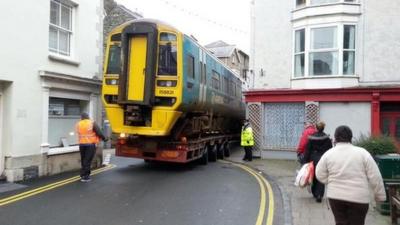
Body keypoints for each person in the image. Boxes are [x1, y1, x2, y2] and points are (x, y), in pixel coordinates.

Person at [316, 125, 386, 225]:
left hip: (336, 197)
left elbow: (319, 173)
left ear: (335, 138)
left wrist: (330, 181)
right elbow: (375, 176)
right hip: (359, 198)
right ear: (351, 137)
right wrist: (380, 196)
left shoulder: (329, 154)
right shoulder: (363, 153)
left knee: (340, 222)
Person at [302, 121, 332, 203]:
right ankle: (319, 195)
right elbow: (330, 150)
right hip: (323, 159)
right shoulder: (327, 138)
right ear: (323, 128)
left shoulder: (311, 138)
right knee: (321, 176)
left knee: (314, 175)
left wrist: (305, 161)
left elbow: (308, 150)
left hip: (313, 159)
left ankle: (315, 193)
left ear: (316, 127)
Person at [76, 112, 108, 182]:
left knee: (84, 159)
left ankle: (82, 174)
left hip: (82, 144)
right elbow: (99, 132)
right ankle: (86, 177)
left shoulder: (78, 124)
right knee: (88, 160)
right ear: (88, 116)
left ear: (81, 117)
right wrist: (104, 138)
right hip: (90, 145)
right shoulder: (92, 123)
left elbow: (79, 133)